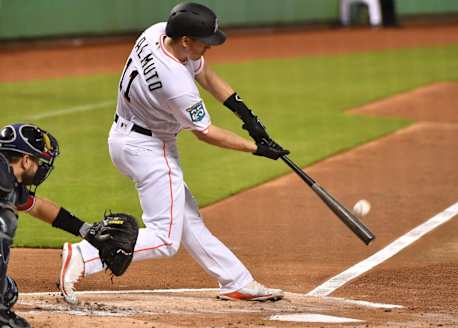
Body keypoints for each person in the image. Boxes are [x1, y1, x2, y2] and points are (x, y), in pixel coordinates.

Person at [59, 2, 289, 304]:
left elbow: (205, 74)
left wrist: (245, 114)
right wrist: (255, 147)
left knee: (188, 219)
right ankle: (84, 255)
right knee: (166, 238)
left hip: (127, 137)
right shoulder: (175, 82)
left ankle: (237, 281)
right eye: (205, 42)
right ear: (186, 41)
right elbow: (205, 133)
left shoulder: (156, 33)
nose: (209, 48)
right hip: (149, 150)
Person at [0, 123, 99, 328]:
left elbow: (37, 207)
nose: (41, 167)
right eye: (38, 161)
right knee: (4, 222)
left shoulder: (8, 182)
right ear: (26, 161)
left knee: (7, 292)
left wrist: (85, 229)